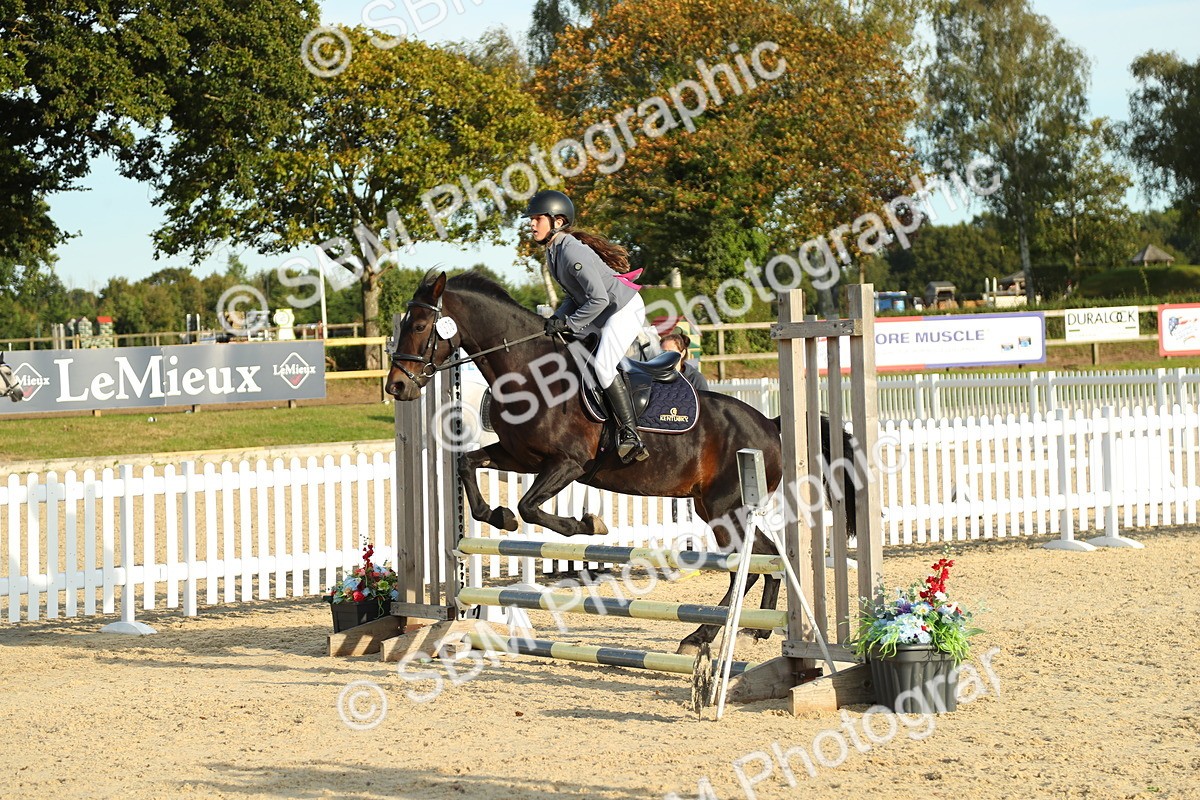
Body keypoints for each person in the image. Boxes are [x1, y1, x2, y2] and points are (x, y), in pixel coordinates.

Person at [524, 189, 649, 464]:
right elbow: (574, 296)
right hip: (604, 312)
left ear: (557, 221)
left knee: (603, 367)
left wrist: (568, 323)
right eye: (531, 219)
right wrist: (556, 319)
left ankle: (631, 435)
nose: (531, 224)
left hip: (623, 310)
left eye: (537, 219)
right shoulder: (553, 253)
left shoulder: (571, 251)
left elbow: (599, 299)